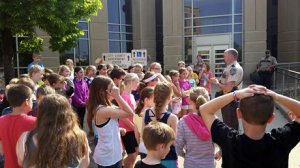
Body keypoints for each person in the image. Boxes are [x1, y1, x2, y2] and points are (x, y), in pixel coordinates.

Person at [199, 85, 300, 168]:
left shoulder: (229, 141)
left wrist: (235, 94)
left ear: (239, 114)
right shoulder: (282, 140)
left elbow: (205, 110)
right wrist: (276, 96)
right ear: (271, 118)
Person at [15, 94, 90, 168]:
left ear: (41, 113)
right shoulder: (79, 136)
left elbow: (21, 162)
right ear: (68, 113)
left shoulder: (25, 138)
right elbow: (84, 163)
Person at [87, 76, 134, 168]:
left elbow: (106, 126)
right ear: (102, 92)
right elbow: (129, 113)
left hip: (114, 154)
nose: (115, 89)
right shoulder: (103, 110)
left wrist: (117, 129)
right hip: (107, 157)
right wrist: (118, 96)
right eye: (112, 88)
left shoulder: (106, 106)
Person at [176, 87, 218, 168]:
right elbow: (223, 142)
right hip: (209, 164)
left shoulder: (183, 122)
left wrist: (186, 156)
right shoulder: (214, 120)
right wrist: (220, 153)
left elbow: (178, 147)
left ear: (190, 101)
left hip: (190, 164)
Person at [142, 83, 178, 168]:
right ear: (169, 98)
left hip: (149, 157)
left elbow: (143, 134)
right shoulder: (172, 118)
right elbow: (174, 141)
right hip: (168, 158)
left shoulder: (146, 113)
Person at [0, 84, 36, 168]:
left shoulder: (1, 120)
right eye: (32, 99)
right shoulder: (35, 122)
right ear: (27, 101)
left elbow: (1, 150)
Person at [210, 48, 243, 130]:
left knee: (230, 123)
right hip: (229, 97)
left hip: (231, 99)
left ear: (231, 56)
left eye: (225, 56)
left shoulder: (234, 69)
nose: (223, 58)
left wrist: (217, 82)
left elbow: (228, 88)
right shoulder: (230, 67)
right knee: (228, 121)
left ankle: (232, 141)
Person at [119, 73, 140, 168]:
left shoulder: (131, 95)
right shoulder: (123, 96)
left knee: (136, 153)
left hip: (133, 129)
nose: (138, 84)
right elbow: (122, 116)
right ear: (130, 82)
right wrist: (134, 127)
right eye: (137, 82)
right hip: (126, 130)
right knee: (132, 155)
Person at [135, 87, 155, 159]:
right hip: (153, 147)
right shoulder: (152, 113)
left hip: (142, 146)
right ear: (146, 100)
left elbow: (136, 132)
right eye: (155, 98)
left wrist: (139, 144)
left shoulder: (136, 113)